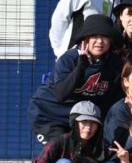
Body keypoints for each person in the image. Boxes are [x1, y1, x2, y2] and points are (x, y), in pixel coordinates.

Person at [30, 15, 124, 144]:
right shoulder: (69, 59)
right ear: (85, 39)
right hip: (51, 115)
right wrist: (81, 66)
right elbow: (61, 94)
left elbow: (113, 99)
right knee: (60, 157)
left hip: (84, 121)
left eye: (105, 37)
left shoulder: (115, 64)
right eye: (94, 36)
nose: (100, 41)